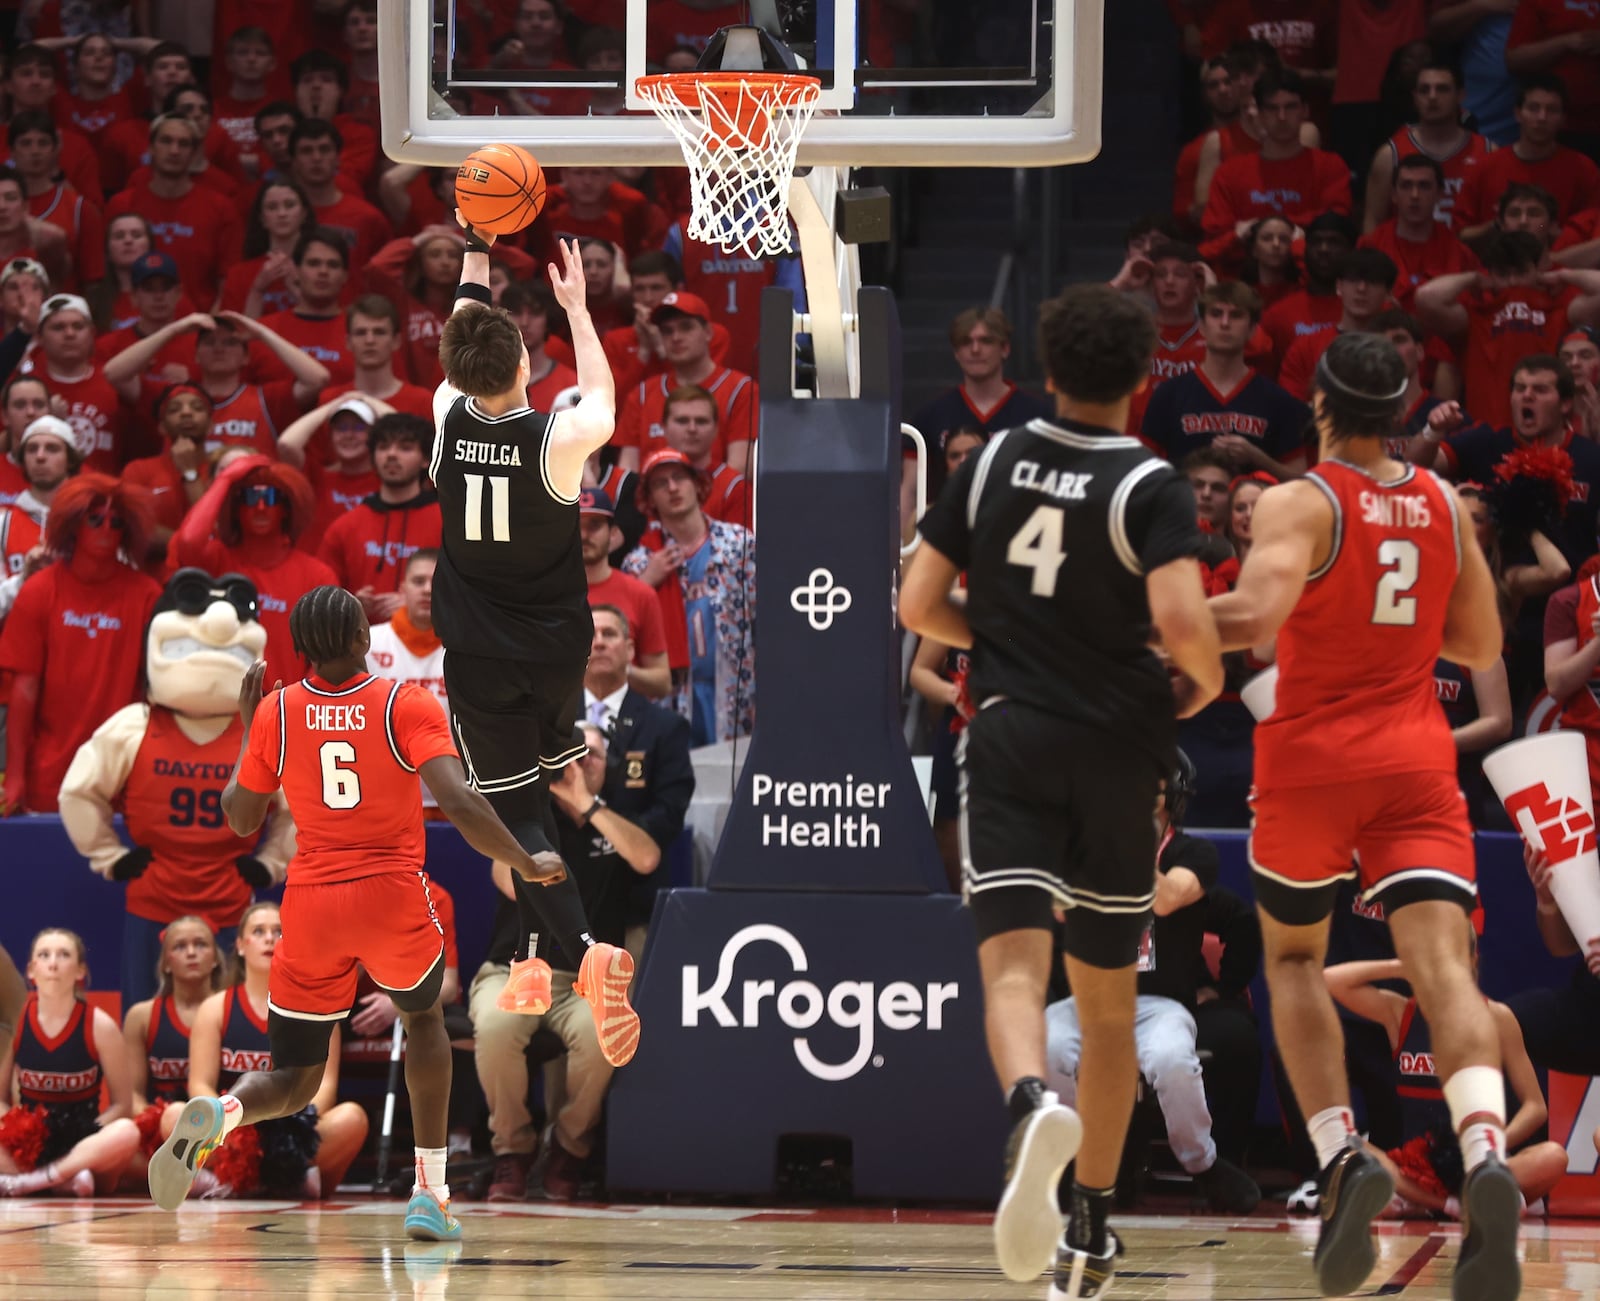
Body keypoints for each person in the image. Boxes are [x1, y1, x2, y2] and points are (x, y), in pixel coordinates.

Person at [899, 283, 1222, 1297]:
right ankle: (1088, 1227)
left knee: (1009, 973)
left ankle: (1033, 1097)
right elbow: (1183, 631)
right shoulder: (1151, 482)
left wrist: (997, 641)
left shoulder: (990, 459)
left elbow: (917, 601)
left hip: (1009, 734)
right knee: (1110, 1005)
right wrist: (1198, 681)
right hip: (1120, 745)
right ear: (1141, 374)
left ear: (1044, 364)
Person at [1207, 333, 1519, 1299]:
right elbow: (1477, 640)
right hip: (1418, 758)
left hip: (1310, 763)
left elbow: (1253, 619)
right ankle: (1484, 1149)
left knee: (1295, 960)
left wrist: (1155, 606)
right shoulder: (1435, 499)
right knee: (1445, 967)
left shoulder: (1305, 497)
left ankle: (1343, 1157)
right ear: (1400, 406)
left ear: (1320, 404)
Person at [148, 589, 565, 1234]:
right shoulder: (405, 702)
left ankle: (222, 1114)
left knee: (292, 1077)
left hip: (311, 901)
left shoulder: (277, 711)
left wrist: (248, 726)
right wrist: (523, 860)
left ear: (301, 649)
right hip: (389, 892)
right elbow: (460, 802)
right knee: (424, 1019)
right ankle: (429, 1193)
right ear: (364, 640)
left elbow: (240, 819)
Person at [429, 219, 640, 1068]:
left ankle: (580, 950)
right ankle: (527, 960)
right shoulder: (555, 439)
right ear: (523, 365)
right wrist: (579, 310)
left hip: (480, 655)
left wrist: (474, 251)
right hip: (558, 647)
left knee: (513, 817)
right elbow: (604, 396)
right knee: (555, 775)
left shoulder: (444, 418)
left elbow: (462, 327)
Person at [1044, 751, 1260, 1214]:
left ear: (1171, 793)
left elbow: (1166, 900)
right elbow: (1059, 909)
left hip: (1159, 1003)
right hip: (1090, 997)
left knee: (1171, 1058)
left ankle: (1203, 1165)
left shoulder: (1192, 852)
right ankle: (1072, 1163)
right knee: (1048, 1045)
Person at [1324, 944, 1566, 1219]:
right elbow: (1332, 980)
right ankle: (1454, 1204)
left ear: (1473, 957)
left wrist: (1489, 1144)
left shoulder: (1497, 1018)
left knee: (1553, 1157)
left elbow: (1535, 1107)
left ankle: (1437, 1200)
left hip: (1478, 1163)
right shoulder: (1401, 1013)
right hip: (1412, 1169)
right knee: (1346, 1143)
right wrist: (1400, 967)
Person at [0, 473, 160, 814]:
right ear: (73, 524)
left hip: (121, 770)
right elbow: (24, 691)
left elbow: (154, 692)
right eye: (95, 519)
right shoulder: (40, 590)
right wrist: (14, 775)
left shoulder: (146, 595)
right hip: (49, 770)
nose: (106, 528)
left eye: (116, 522)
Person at [620, 448, 756, 746]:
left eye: (679, 478)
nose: (672, 488)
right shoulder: (640, 562)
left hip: (736, 688)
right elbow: (622, 633)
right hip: (672, 693)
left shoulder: (739, 544)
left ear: (697, 484)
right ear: (649, 498)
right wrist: (646, 582)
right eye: (660, 483)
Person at [0, 929, 140, 1196]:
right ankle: (62, 1181)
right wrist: (18, 1133)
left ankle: (40, 1181)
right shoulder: (18, 1021)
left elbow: (123, 1105)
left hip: (84, 1145)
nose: (53, 963)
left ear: (80, 971)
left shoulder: (100, 1026)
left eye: (64, 955)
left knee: (127, 1132)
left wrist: (86, 1136)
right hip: (30, 1148)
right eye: (44, 955)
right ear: (31, 970)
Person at [1140, 281, 1310, 478]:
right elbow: (1145, 470)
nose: (1225, 323)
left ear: (1252, 329)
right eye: (1216, 314)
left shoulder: (1277, 400)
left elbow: (1299, 478)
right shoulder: (1169, 394)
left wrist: (1258, 458)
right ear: (1202, 326)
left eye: (1236, 315)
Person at [121, 917, 226, 1172]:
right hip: (159, 1131)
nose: (191, 953)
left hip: (220, 1134)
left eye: (201, 945)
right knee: (116, 1147)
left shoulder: (230, 1011)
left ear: (215, 958)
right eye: (179, 946)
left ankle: (197, 1175)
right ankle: (203, 1179)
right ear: (165, 963)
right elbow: (132, 1094)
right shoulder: (141, 1017)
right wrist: (159, 1122)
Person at [315, 411, 443, 619]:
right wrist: (350, 603)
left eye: (405, 447)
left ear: (426, 460)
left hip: (431, 645)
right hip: (361, 644)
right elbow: (321, 597)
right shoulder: (346, 526)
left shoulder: (446, 522)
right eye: (383, 447)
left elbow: (468, 591)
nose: (392, 454)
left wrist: (417, 602)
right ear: (373, 457)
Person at [1363, 60, 1494, 234]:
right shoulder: (1389, 155)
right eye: (1424, 90)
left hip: (1469, 256)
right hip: (1404, 257)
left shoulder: (1488, 152)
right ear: (1415, 97)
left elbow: (1496, 223)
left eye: (1442, 89)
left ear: (1460, 95)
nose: (1432, 97)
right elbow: (1373, 222)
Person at [579, 488, 670, 699]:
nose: (584, 535)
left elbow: (662, 683)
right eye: (577, 526)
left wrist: (620, 668)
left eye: (594, 526)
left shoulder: (641, 594)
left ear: (613, 534)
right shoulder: (548, 596)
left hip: (625, 718)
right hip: (564, 721)